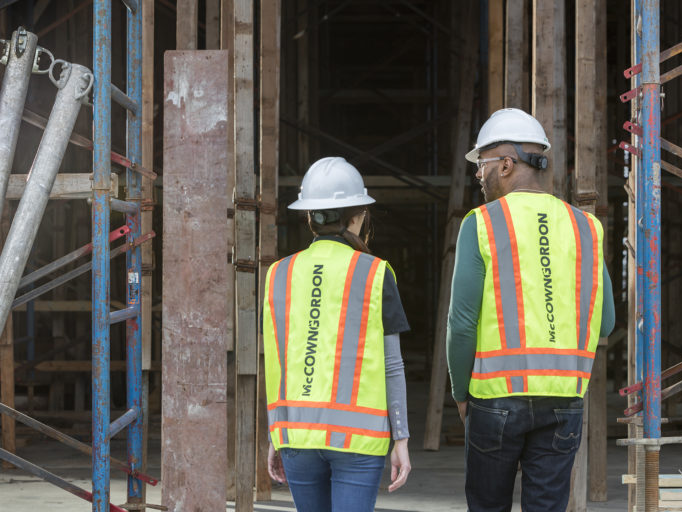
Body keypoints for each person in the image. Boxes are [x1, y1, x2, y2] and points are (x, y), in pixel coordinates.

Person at [446, 108, 616, 512]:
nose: (478, 175)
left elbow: (462, 323)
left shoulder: (482, 223)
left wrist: (460, 393)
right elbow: (605, 321)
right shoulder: (585, 227)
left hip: (494, 399)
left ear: (506, 165)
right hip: (563, 398)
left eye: (482, 165)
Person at [263, 157, 412, 512]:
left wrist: (275, 434)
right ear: (358, 215)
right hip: (357, 442)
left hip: (295, 434)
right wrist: (401, 438)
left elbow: (277, 361)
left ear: (310, 217)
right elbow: (392, 364)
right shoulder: (376, 273)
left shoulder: (278, 274)